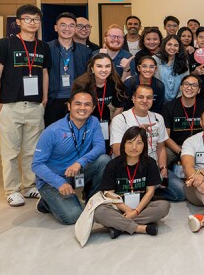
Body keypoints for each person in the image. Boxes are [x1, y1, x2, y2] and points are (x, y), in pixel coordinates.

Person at [0, 4, 51, 206]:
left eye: (36, 19)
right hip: (10, 105)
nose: (32, 22)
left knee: (32, 151)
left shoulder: (43, 47)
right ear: (17, 22)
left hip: (35, 105)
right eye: (27, 19)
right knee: (10, 152)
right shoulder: (5, 44)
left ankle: (29, 186)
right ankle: (12, 189)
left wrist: (44, 99)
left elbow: (44, 73)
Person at [32, 90, 110, 223]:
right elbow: (37, 164)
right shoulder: (53, 131)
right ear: (69, 106)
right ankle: (46, 202)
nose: (82, 108)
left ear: (93, 108)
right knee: (73, 216)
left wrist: (80, 162)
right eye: (78, 104)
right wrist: (59, 182)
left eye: (87, 104)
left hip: (76, 172)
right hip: (53, 181)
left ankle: (92, 202)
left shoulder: (93, 122)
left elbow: (100, 147)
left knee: (104, 160)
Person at [94, 126, 171, 238]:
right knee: (99, 212)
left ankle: (119, 227)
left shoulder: (150, 163)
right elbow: (109, 193)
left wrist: (135, 211)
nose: (134, 147)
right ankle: (140, 228)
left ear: (144, 145)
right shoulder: (113, 165)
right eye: (130, 142)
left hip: (142, 206)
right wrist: (129, 210)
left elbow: (150, 192)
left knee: (164, 206)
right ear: (123, 144)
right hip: (119, 208)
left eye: (139, 143)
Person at [110, 84, 181, 201]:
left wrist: (163, 168)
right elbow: (117, 150)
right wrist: (138, 132)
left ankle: (149, 192)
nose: (145, 100)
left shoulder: (158, 118)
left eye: (149, 98)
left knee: (180, 193)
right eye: (140, 97)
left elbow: (161, 147)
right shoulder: (121, 119)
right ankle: (147, 192)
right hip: (130, 167)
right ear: (133, 98)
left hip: (153, 167)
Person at [71, 54, 127, 152]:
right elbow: (75, 108)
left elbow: (119, 107)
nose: (104, 70)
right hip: (84, 119)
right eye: (99, 66)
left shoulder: (115, 83)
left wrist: (112, 125)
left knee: (104, 150)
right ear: (92, 68)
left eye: (107, 66)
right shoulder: (82, 84)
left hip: (105, 118)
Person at [45, 12, 92, 126]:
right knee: (55, 136)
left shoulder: (84, 51)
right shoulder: (46, 48)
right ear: (56, 28)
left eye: (71, 25)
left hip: (77, 100)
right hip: (53, 100)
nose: (67, 28)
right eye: (63, 25)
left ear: (75, 29)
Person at [161, 75, 204, 170]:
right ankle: (164, 180)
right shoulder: (169, 107)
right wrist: (182, 151)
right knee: (162, 154)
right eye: (186, 84)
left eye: (194, 85)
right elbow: (166, 137)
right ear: (181, 87)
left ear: (199, 90)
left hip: (200, 147)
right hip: (176, 148)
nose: (189, 87)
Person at [155, 34, 188, 103]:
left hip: (177, 102)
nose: (172, 47)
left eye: (176, 45)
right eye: (169, 44)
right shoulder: (155, 59)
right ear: (164, 46)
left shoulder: (183, 61)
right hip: (157, 101)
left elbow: (186, 82)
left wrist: (177, 101)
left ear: (179, 48)